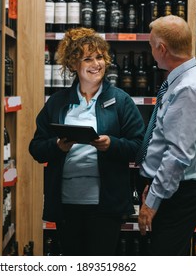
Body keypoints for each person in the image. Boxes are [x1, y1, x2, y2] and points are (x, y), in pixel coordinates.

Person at [29, 27, 144, 256]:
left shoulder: (120, 101)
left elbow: (140, 146)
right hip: (66, 203)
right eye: (88, 58)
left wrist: (112, 144)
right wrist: (57, 146)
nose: (96, 64)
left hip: (105, 205)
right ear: (73, 64)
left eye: (100, 57)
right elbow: (36, 148)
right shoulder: (57, 103)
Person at [136, 15, 196, 255]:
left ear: (162, 49)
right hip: (168, 189)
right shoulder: (181, 80)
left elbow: (178, 155)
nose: (150, 51)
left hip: (177, 195)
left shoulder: (189, 88)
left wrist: (152, 202)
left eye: (151, 45)